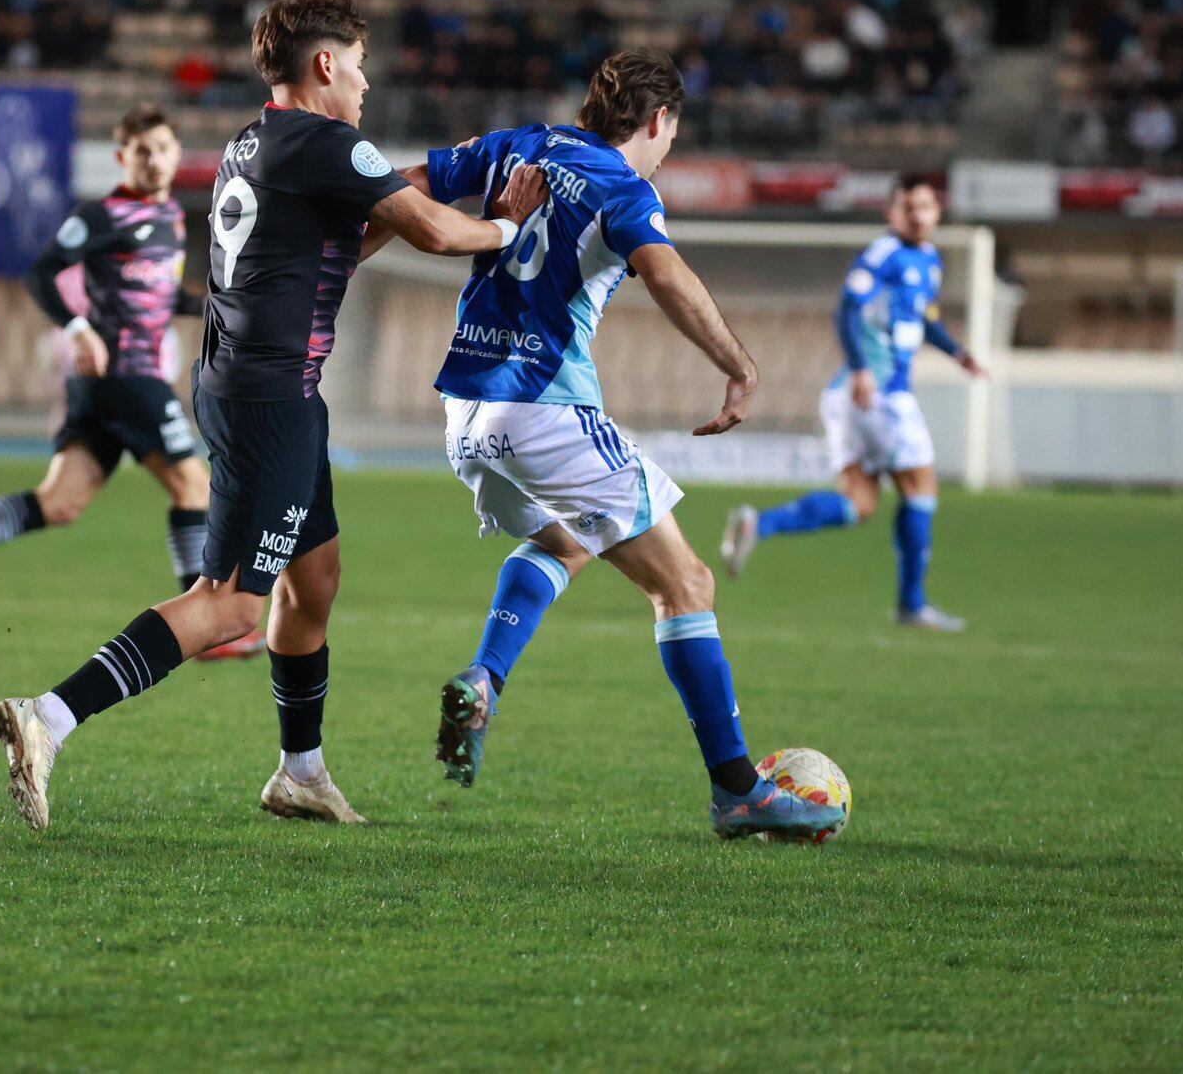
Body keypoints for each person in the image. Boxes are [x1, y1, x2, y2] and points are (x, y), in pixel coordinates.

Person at [0, 0, 548, 830]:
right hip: (269, 398)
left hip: (259, 386)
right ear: (324, 65)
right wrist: (508, 226)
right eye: (358, 68)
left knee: (313, 580)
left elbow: (337, 249)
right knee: (233, 600)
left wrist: (398, 197)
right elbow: (437, 232)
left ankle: (301, 773)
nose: (366, 85)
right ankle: (50, 718)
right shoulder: (330, 142)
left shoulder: (253, 141)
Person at [375, 48, 844, 840]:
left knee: (566, 543)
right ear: (659, 121)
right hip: (543, 410)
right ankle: (738, 790)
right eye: (671, 135)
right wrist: (738, 364)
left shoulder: (516, 145)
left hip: (463, 416)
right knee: (687, 584)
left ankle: (484, 679)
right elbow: (664, 274)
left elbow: (396, 188)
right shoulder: (627, 189)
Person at [0, 104, 259, 656]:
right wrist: (77, 327)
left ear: (177, 154)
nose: (155, 160)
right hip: (126, 377)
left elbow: (160, 300)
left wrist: (215, 307)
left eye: (163, 149)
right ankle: (203, 626)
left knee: (60, 502)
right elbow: (42, 272)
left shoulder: (170, 218)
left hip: (103, 390)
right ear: (122, 158)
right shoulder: (102, 214)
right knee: (194, 485)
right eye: (142, 151)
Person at [719, 175, 986, 631]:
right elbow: (846, 310)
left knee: (858, 504)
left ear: (937, 211)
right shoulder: (883, 255)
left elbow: (925, 320)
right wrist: (863, 367)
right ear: (892, 212)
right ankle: (911, 604)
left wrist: (958, 353)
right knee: (921, 489)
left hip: (852, 395)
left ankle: (757, 525)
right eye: (908, 206)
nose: (918, 215)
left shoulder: (929, 261)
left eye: (926, 206)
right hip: (877, 392)